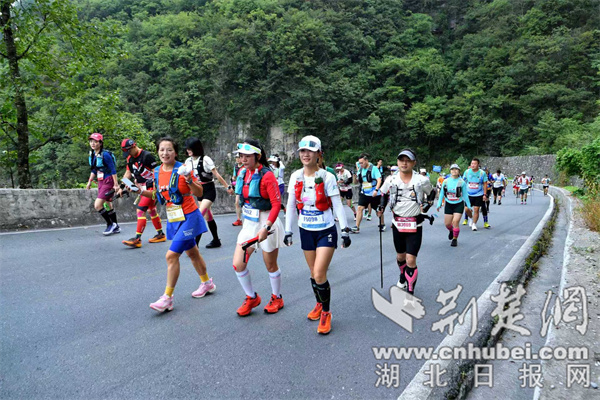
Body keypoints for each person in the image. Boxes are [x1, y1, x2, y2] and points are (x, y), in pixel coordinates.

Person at [137, 137, 215, 313]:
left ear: (176, 152)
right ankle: (207, 283)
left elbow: (199, 192)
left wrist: (189, 180)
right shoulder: (157, 171)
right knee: (192, 253)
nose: (165, 153)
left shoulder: (183, 169)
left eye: (169, 150)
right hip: (174, 218)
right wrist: (141, 191)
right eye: (162, 150)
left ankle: (167, 298)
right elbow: (158, 195)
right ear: (158, 152)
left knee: (171, 256)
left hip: (189, 216)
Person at [284, 136, 351, 335]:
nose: (306, 154)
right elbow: (290, 205)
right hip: (305, 229)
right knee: (313, 273)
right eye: (302, 151)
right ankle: (319, 304)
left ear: (318, 154)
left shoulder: (327, 176)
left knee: (320, 273)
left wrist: (345, 230)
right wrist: (288, 230)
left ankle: (326, 312)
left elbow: (337, 204)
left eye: (310, 151)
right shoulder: (295, 176)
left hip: (325, 229)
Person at [232, 139, 285, 316]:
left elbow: (276, 204)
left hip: (267, 222)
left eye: (247, 156)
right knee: (238, 264)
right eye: (241, 156)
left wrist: (266, 227)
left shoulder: (267, 175)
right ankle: (251, 297)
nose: (243, 159)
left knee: (270, 264)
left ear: (257, 156)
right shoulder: (243, 173)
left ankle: (277, 297)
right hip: (249, 223)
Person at [377, 149, 433, 295]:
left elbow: (431, 193)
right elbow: (383, 193)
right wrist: (381, 206)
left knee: (410, 259)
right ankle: (403, 275)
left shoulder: (421, 180)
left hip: (415, 224)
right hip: (398, 224)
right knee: (401, 256)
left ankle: (410, 290)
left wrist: (427, 205)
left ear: (414, 163)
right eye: (401, 160)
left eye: (408, 160)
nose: (404, 163)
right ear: (397, 162)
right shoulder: (391, 179)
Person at [184, 138, 234, 249]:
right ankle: (216, 240)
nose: (188, 150)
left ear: (196, 148)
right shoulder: (188, 162)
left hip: (209, 190)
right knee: (208, 216)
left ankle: (194, 245)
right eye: (187, 148)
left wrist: (227, 187)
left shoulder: (205, 159)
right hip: (198, 190)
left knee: (199, 215)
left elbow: (217, 175)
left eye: (190, 148)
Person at [118, 139, 166, 248]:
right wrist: (121, 187)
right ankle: (160, 234)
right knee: (151, 210)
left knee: (140, 210)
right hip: (140, 186)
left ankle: (137, 239)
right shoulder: (130, 158)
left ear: (134, 146)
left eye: (129, 151)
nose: (128, 154)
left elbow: (156, 172)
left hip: (150, 187)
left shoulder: (147, 156)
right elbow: (128, 172)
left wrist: (155, 189)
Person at [85, 133, 121, 235]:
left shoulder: (105, 155)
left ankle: (110, 224)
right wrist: (89, 182)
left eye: (95, 141)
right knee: (108, 203)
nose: (92, 143)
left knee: (97, 205)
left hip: (108, 180)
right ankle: (116, 226)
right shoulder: (93, 154)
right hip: (101, 181)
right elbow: (94, 170)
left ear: (100, 143)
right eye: (91, 141)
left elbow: (113, 170)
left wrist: (116, 184)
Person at [437, 164, 471, 247]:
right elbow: (442, 193)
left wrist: (469, 206)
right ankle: (451, 231)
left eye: (456, 169)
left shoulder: (461, 182)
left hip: (458, 204)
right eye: (452, 169)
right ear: (450, 171)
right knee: (447, 224)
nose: (454, 171)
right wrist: (439, 204)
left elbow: (465, 195)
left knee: (455, 222)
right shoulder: (445, 181)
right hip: (448, 204)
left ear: (459, 171)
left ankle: (455, 239)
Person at [351, 153, 383, 233]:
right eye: (359, 163)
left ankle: (382, 224)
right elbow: (355, 182)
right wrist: (354, 176)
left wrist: (376, 190)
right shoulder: (360, 170)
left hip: (374, 193)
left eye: (362, 163)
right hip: (364, 193)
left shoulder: (374, 168)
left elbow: (379, 180)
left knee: (378, 210)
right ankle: (357, 227)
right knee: (360, 208)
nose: (360, 165)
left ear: (366, 161)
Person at [462, 158, 489, 231]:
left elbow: (485, 183)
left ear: (478, 164)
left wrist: (485, 194)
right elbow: (463, 181)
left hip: (478, 194)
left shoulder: (482, 173)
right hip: (468, 194)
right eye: (472, 163)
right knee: (466, 209)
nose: (473, 165)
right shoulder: (467, 172)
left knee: (476, 209)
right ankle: (471, 218)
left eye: (474, 164)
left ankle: (474, 224)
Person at [231, 152, 244, 226]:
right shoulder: (236, 167)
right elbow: (234, 176)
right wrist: (233, 179)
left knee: (245, 203)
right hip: (238, 187)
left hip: (244, 186)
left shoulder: (245, 166)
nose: (238, 159)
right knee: (237, 202)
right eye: (237, 158)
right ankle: (239, 219)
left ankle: (246, 219)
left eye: (239, 158)